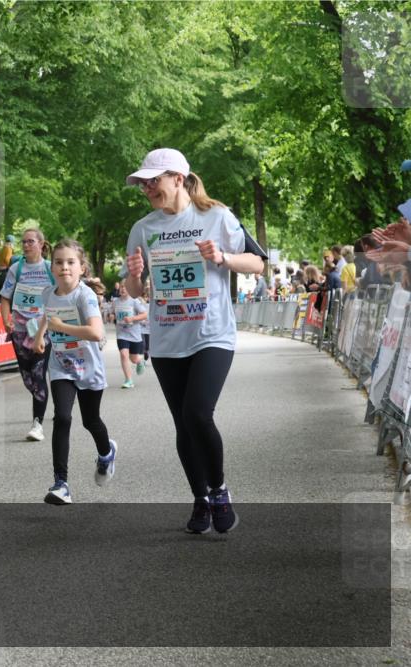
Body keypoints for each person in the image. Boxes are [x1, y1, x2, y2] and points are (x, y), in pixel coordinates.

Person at [124, 147, 263, 534]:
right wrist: (135, 276)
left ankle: (219, 491)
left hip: (211, 333)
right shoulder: (143, 228)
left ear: (178, 179)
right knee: (183, 426)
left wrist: (223, 257)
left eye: (154, 180)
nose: (148, 188)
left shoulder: (216, 216)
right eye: (144, 183)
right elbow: (134, 289)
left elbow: (256, 263)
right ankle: (200, 499)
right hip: (167, 338)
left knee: (197, 413)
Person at [32, 240, 115, 504]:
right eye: (58, 262)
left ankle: (106, 453)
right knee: (63, 417)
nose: (64, 267)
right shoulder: (48, 293)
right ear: (52, 267)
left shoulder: (85, 295)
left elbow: (96, 332)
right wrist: (39, 335)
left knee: (90, 421)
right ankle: (61, 483)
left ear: (82, 268)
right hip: (61, 366)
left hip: (88, 368)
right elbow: (48, 314)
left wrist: (61, 327)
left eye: (70, 262)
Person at [0, 227, 55, 441]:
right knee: (28, 377)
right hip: (20, 330)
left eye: (31, 241)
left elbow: (60, 296)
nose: (26, 245)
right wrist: (6, 320)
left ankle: (37, 424)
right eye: (23, 242)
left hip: (43, 329)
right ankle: (44, 402)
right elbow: (5, 297)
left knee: (39, 374)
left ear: (41, 244)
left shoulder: (51, 269)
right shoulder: (16, 268)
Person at [113, 282, 148, 388]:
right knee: (124, 355)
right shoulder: (115, 302)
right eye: (121, 287)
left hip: (134, 335)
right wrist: (111, 316)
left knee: (133, 359)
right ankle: (128, 380)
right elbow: (112, 313)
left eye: (126, 287)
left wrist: (132, 319)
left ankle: (139, 361)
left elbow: (145, 315)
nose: (123, 289)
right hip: (121, 334)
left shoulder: (134, 302)